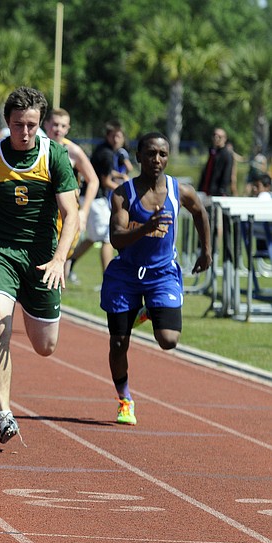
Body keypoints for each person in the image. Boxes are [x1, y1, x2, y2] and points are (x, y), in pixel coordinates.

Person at [0, 86, 79, 446]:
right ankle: (4, 412)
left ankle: (32, 302)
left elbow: (71, 214)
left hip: (43, 260)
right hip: (1, 253)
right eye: (17, 125)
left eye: (31, 125)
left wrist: (59, 260)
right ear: (6, 122)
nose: (24, 133)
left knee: (45, 346)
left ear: (40, 123)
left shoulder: (54, 155)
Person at [100, 132, 211, 425]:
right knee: (118, 344)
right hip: (126, 274)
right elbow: (116, 239)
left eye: (162, 154)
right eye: (150, 154)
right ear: (138, 156)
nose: (157, 160)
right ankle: (125, 400)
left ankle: (148, 310)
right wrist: (147, 227)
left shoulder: (180, 191)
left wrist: (206, 252)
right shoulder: (123, 195)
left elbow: (200, 213)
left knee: (169, 340)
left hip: (162, 273)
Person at [65, 120, 129, 282]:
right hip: (94, 198)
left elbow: (104, 172)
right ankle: (109, 278)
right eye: (113, 136)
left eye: (119, 136)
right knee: (108, 237)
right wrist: (125, 190)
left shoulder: (104, 150)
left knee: (93, 238)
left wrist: (119, 175)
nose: (116, 139)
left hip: (89, 196)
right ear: (108, 136)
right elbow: (105, 181)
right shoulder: (106, 154)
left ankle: (68, 261)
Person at [43, 108, 98, 255]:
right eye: (55, 124)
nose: (58, 129)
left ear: (68, 129)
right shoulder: (37, 147)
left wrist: (84, 212)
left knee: (62, 256)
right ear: (46, 124)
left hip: (65, 212)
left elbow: (93, 180)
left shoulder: (73, 151)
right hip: (42, 211)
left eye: (63, 126)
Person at [198, 127, 234, 198]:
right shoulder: (212, 152)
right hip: (205, 191)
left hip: (217, 193)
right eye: (214, 135)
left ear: (224, 139)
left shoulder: (226, 155)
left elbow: (227, 175)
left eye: (219, 137)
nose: (216, 138)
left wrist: (222, 191)